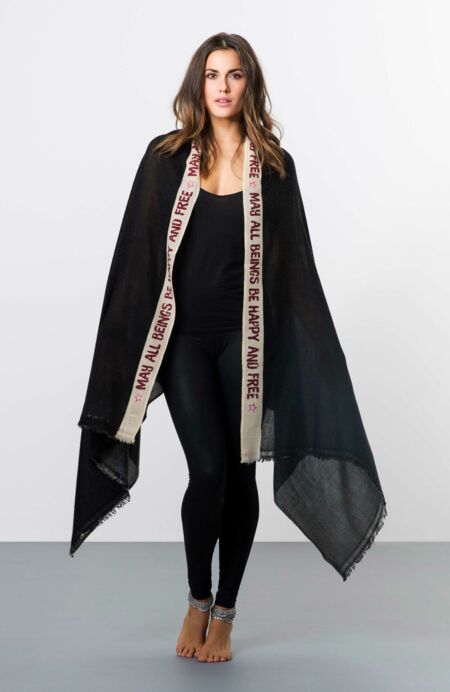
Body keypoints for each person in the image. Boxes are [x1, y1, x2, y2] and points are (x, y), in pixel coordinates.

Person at [159, 37, 260, 663]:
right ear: (198, 84)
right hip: (183, 342)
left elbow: (292, 270)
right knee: (209, 471)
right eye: (212, 74)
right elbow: (137, 257)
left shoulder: (273, 166)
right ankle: (197, 599)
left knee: (241, 473)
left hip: (245, 344)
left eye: (235, 75)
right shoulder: (167, 157)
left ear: (250, 85)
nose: (222, 86)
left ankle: (225, 613)